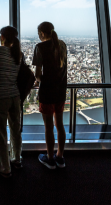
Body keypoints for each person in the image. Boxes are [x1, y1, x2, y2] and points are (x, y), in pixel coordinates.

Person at [0, 26, 23, 178]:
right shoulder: (19, 54)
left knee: (1, 133)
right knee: (15, 130)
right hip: (15, 96)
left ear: (2, 36)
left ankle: (4, 167)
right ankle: (16, 158)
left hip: (0, 96)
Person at [33, 22, 67, 169]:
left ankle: (50, 158)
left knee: (48, 127)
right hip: (60, 90)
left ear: (41, 33)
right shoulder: (62, 44)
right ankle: (60, 157)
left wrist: (37, 80)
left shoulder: (40, 47)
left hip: (47, 91)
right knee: (59, 125)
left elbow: (38, 74)